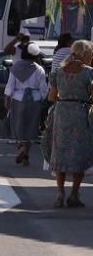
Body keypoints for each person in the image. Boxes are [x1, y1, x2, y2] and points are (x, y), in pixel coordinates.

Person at [46, 39, 93, 208]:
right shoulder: (89, 73)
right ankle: (74, 193)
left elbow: (51, 97)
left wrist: (64, 98)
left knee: (61, 152)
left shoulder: (58, 72)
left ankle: (60, 192)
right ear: (86, 54)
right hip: (80, 114)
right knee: (78, 153)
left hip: (61, 113)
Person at [4, 41, 48, 167]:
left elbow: (10, 85)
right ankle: (26, 154)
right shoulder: (39, 69)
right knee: (31, 127)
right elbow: (43, 89)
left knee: (19, 126)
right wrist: (40, 98)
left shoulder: (16, 67)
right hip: (34, 101)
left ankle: (21, 148)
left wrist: (7, 99)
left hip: (18, 100)